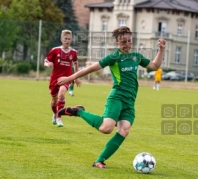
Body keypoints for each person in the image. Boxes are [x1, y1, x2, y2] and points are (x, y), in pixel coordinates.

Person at [57, 26, 166, 168]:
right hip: (117, 97)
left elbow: (155, 66)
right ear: (117, 42)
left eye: (129, 41)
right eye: (123, 42)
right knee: (105, 128)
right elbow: (90, 68)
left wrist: (161, 49)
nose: (127, 45)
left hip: (130, 101)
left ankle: (99, 160)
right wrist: (70, 78)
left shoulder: (136, 56)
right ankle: (78, 111)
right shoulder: (114, 57)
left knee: (124, 130)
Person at [44, 29, 81, 127]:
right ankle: (55, 113)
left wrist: (76, 77)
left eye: (69, 39)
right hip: (55, 78)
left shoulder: (73, 52)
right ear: (61, 39)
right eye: (65, 39)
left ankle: (59, 117)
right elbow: (46, 60)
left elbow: (76, 63)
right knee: (53, 101)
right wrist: (48, 64)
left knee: (61, 94)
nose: (67, 41)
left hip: (67, 78)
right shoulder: (55, 50)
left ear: (71, 40)